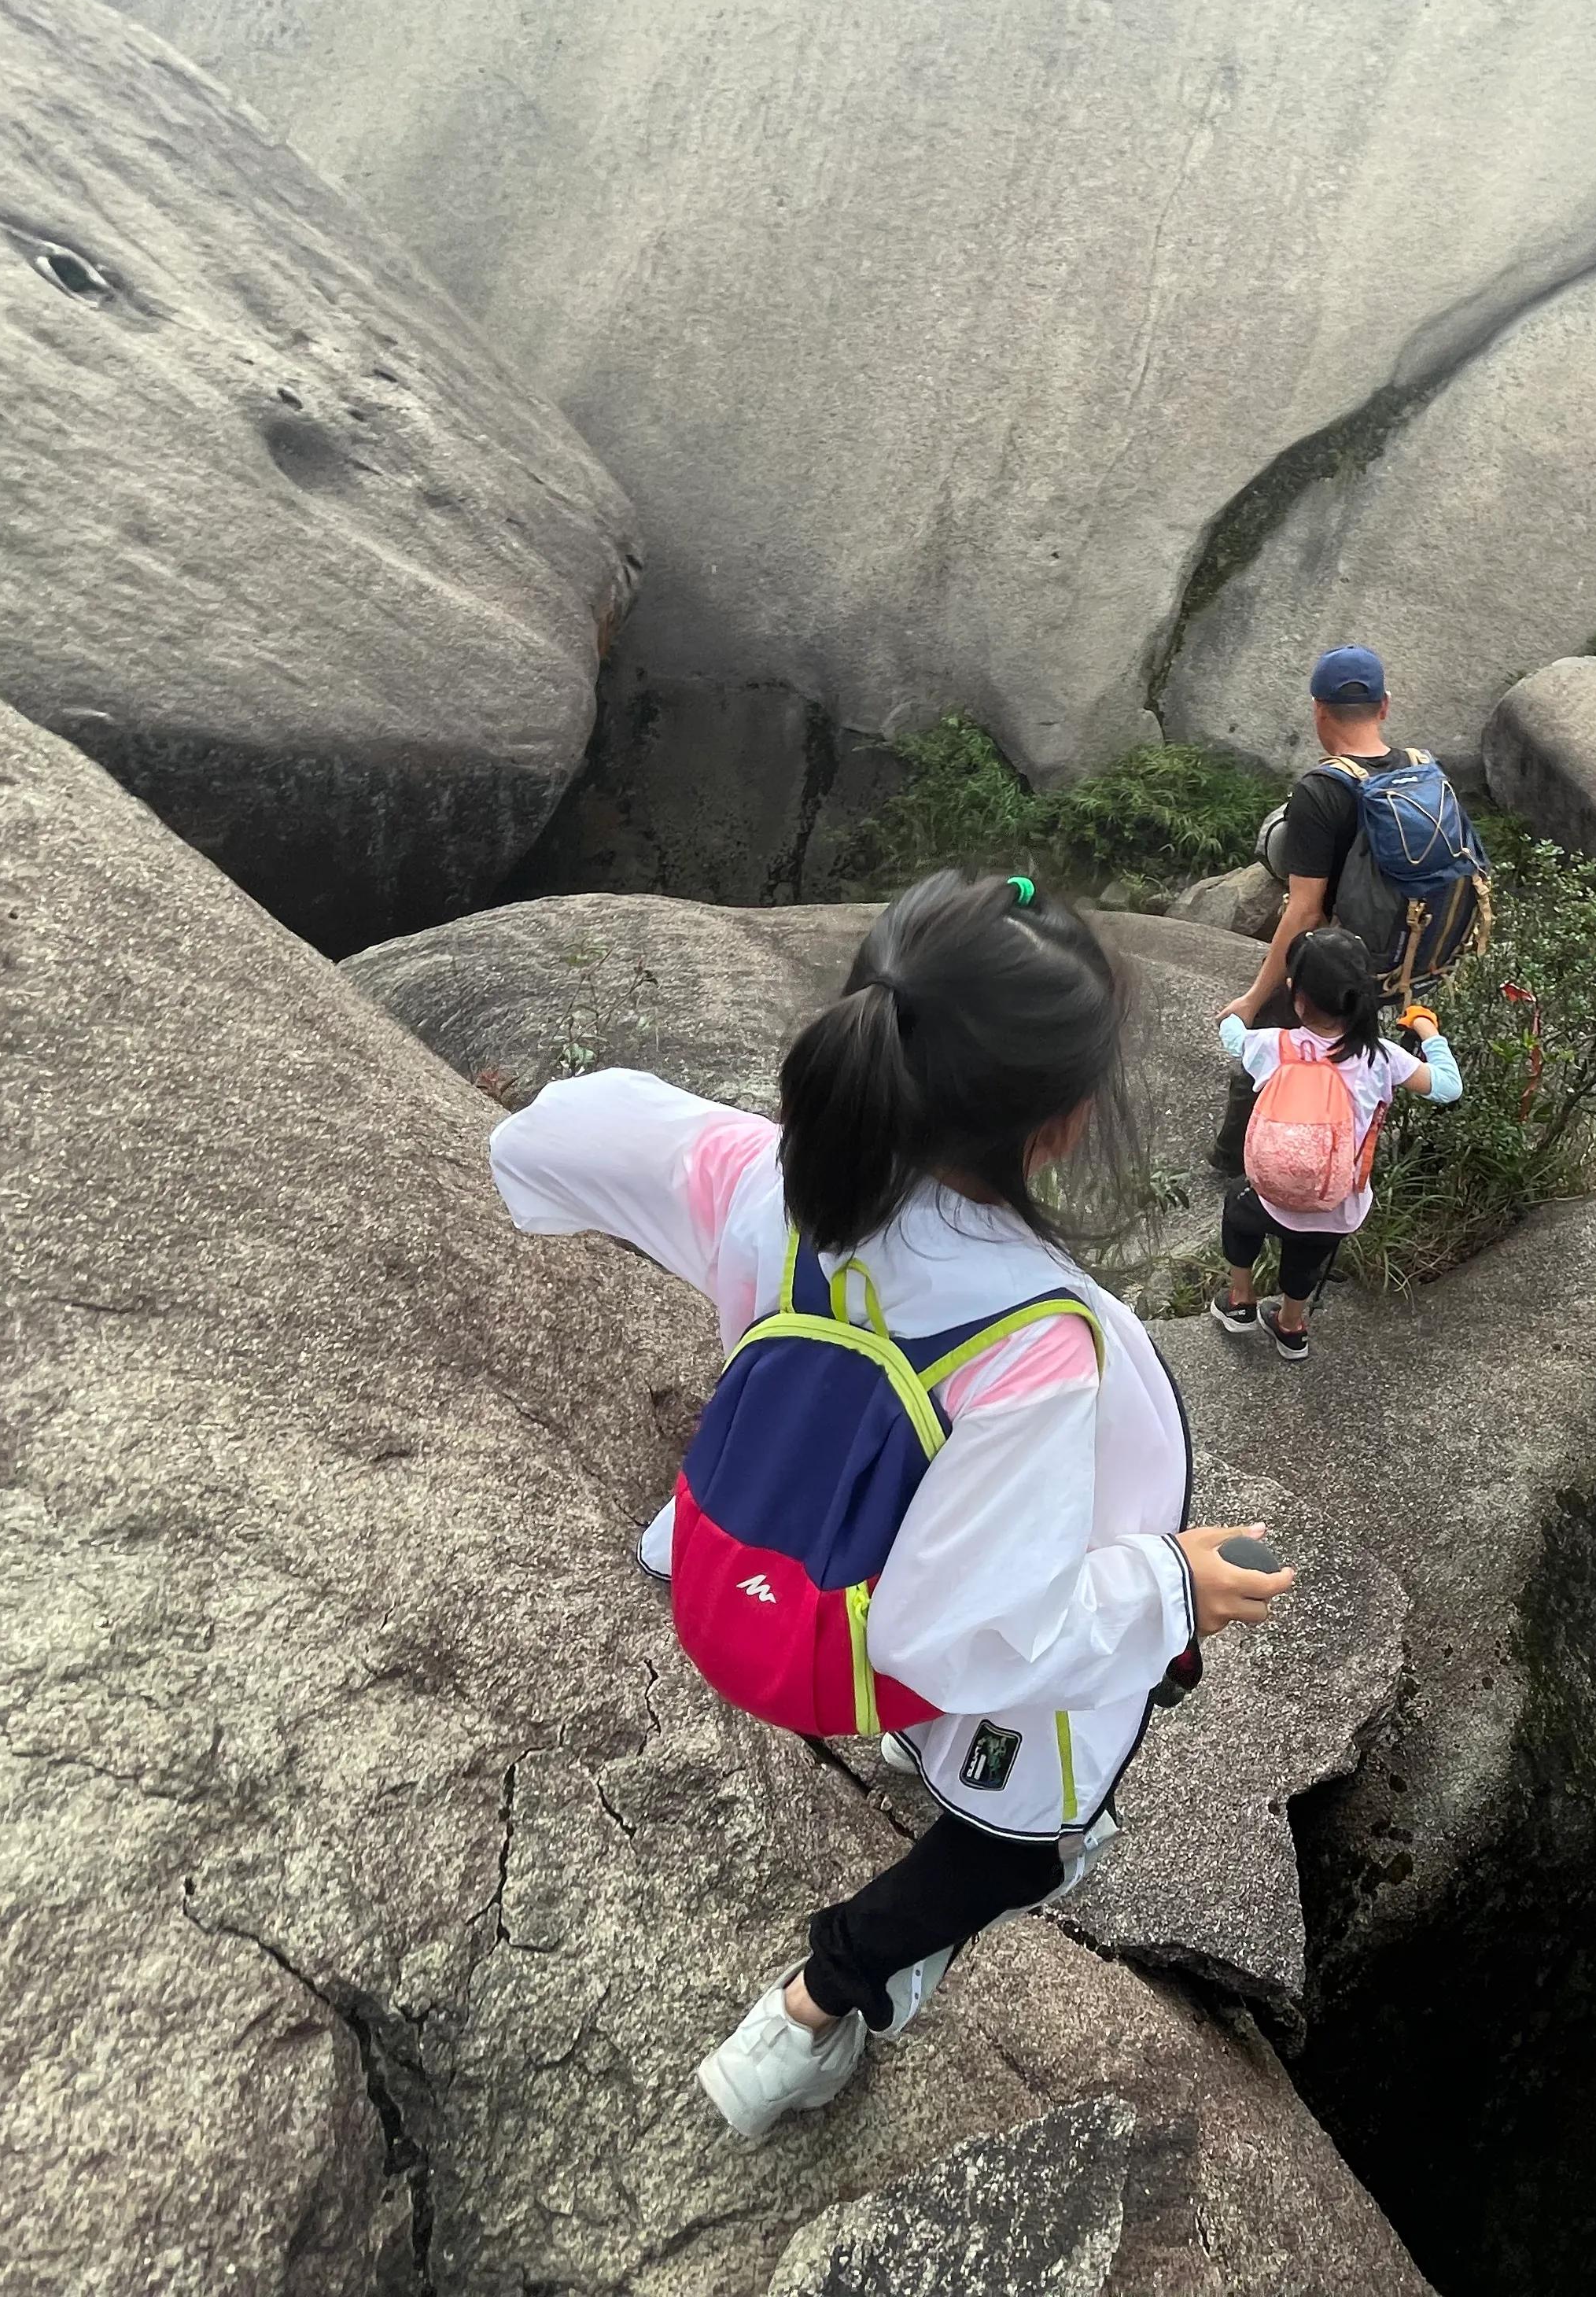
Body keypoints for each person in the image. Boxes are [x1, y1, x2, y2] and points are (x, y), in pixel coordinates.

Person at [487, 872, 1295, 2140]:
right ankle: (811, 2013)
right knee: (1028, 1843)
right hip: (894, 1647)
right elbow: (961, 1633)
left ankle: (909, 1798)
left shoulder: (773, 1182)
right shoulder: (1037, 1339)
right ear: (1062, 1126)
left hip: (749, 1565)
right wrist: (1174, 1586)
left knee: (971, 1722)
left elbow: (547, 1139)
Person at [1212, 643, 1484, 1173]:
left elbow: (1305, 913)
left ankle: (1236, 1164)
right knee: (1370, 1060)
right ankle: (1357, 1152)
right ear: (1384, 706)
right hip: (1409, 954)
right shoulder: (1423, 768)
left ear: (1318, 709)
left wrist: (1253, 998)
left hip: (1339, 962)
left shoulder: (1321, 790)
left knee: (1264, 1051)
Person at [1209, 926, 1461, 1359]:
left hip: (1270, 1196)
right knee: (1308, 1253)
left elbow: (1232, 1035)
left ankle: (1240, 1300)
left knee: (1238, 1207)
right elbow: (1447, 1087)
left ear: (1296, 995)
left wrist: (1238, 1011)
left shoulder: (1274, 1045)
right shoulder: (1382, 1057)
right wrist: (1427, 1030)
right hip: (1338, 1202)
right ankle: (1291, 1327)